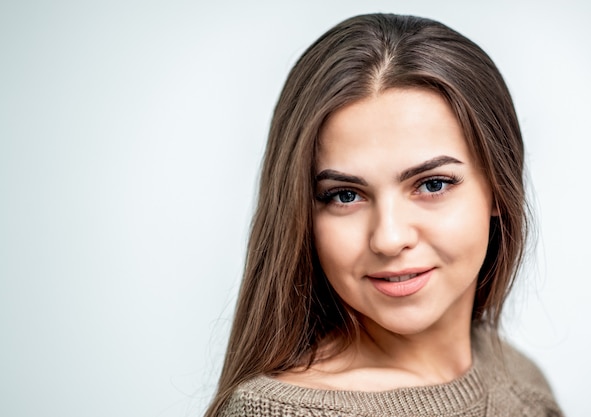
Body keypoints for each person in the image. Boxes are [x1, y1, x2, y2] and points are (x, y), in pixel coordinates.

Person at [205, 13, 563, 417]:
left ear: (499, 187)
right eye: (344, 195)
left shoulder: (523, 383)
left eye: (432, 184)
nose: (389, 238)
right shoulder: (273, 411)